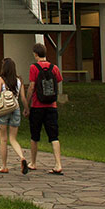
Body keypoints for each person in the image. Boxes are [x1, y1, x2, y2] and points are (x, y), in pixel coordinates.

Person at [26, 43, 64, 175]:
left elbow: (31, 86)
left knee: (34, 136)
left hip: (37, 105)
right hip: (52, 106)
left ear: (35, 54)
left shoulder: (34, 67)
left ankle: (33, 162)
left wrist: (27, 103)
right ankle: (58, 163)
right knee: (54, 136)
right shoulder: (54, 67)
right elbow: (58, 80)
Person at [0, 58, 30, 174]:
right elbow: (23, 97)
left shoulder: (1, 80)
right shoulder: (19, 80)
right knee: (13, 139)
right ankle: (22, 158)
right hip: (15, 109)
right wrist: (26, 109)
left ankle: (4, 166)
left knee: (3, 139)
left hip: (3, 110)